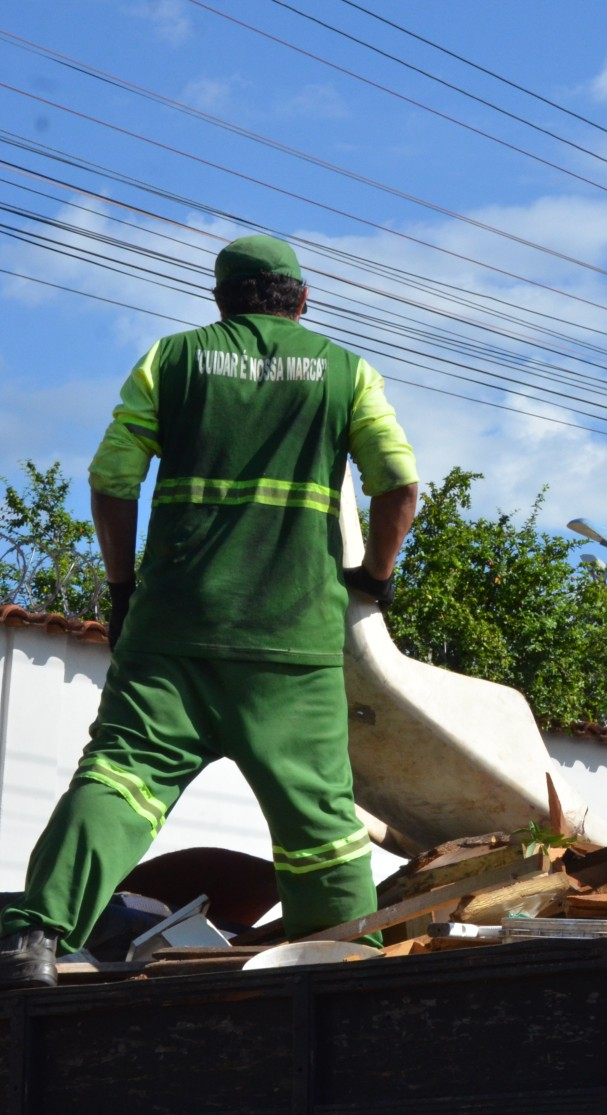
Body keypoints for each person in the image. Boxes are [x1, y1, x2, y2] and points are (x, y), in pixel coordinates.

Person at [0, 235, 419, 988]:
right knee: (319, 823)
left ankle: (32, 941)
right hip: (293, 644)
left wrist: (124, 592)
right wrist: (374, 578)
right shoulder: (347, 373)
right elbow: (399, 485)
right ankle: (350, 976)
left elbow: (110, 482)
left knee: (118, 780)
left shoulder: (172, 360)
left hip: (173, 636)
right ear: (302, 299)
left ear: (221, 300)